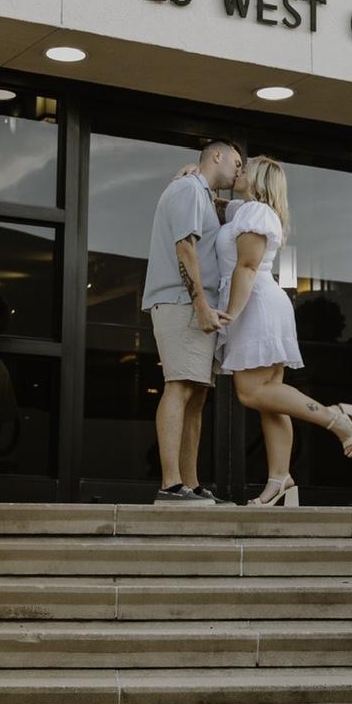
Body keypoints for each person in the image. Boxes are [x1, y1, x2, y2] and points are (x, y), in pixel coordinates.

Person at [216, 154, 352, 506]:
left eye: (245, 168)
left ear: (258, 180)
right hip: (259, 304)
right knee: (271, 398)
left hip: (254, 305)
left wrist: (230, 314)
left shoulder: (256, 212)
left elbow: (247, 267)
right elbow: (218, 205)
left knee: (251, 392)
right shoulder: (245, 209)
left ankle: (335, 418)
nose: (239, 170)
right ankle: (280, 478)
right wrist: (195, 178)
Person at [141, 137, 243, 504]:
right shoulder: (187, 189)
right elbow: (185, 246)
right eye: (236, 163)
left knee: (196, 395)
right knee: (180, 386)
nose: (239, 171)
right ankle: (171, 486)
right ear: (217, 155)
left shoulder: (201, 193)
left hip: (195, 304)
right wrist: (200, 303)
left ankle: (191, 484)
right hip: (182, 302)